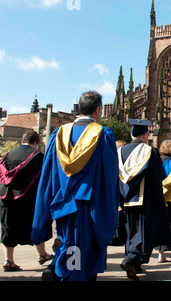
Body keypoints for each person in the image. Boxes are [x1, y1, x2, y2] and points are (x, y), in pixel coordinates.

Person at [31, 91, 120, 281]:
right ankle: (70, 274)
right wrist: (110, 211)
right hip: (89, 207)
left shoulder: (58, 134)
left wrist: (43, 213)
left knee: (70, 245)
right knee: (83, 253)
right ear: (99, 110)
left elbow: (48, 176)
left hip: (63, 205)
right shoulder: (104, 135)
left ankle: (60, 269)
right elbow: (110, 179)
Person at [117, 120, 171, 280]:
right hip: (145, 200)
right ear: (144, 135)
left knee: (130, 232)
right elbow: (159, 177)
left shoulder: (120, 152)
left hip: (126, 200)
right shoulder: (150, 151)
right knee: (143, 233)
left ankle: (135, 263)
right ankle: (131, 259)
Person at [0, 131, 53, 272]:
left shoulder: (8, 155)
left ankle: (8, 260)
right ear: (35, 142)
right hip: (30, 200)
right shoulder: (39, 157)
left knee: (7, 228)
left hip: (7, 198)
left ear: (22, 141)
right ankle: (42, 255)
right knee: (36, 226)